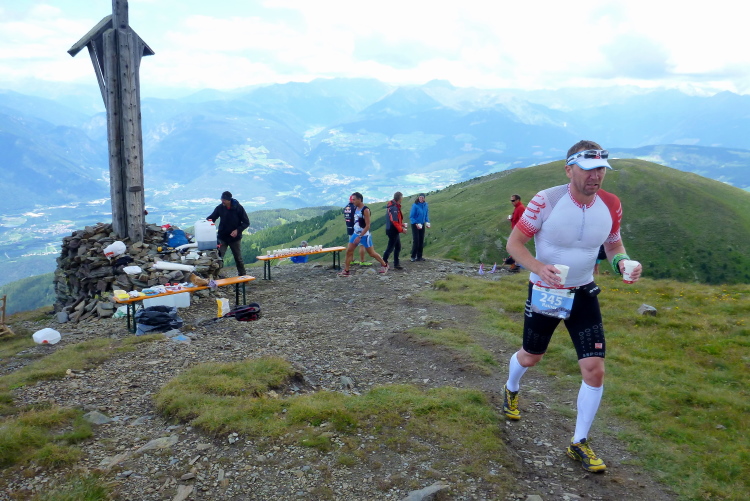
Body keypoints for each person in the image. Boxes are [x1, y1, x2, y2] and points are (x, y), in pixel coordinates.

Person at [503, 140, 643, 473]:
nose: (596, 176)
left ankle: (579, 441)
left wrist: (623, 263)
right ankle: (511, 388)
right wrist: (539, 268)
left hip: (583, 292)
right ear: (569, 170)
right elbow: (514, 244)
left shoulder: (611, 204)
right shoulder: (547, 200)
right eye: (588, 169)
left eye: (601, 169)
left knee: (595, 369)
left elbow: (613, 244)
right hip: (546, 292)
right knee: (531, 356)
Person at [338, 192, 388, 277]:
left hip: (364, 236)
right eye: (352, 199)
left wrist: (360, 236)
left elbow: (368, 226)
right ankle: (346, 270)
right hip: (355, 233)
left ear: (359, 199)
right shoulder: (355, 208)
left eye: (354, 199)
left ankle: (384, 265)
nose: (352, 201)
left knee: (371, 253)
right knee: (349, 251)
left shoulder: (365, 210)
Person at [207, 191, 250, 276]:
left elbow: (246, 222)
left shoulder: (238, 208)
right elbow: (212, 218)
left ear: (229, 200)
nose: (222, 201)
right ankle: (215, 276)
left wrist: (237, 230)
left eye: (224, 200)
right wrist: (205, 223)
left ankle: (243, 276)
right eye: (222, 199)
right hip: (222, 237)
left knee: (238, 258)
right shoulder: (220, 208)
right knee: (218, 258)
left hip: (235, 238)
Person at [383, 192, 407, 270]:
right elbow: (394, 221)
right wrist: (402, 229)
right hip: (392, 230)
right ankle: (384, 263)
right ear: (399, 198)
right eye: (402, 197)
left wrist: (402, 224)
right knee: (390, 248)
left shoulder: (393, 206)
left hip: (392, 229)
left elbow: (395, 220)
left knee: (397, 247)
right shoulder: (394, 208)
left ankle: (396, 264)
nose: (402, 198)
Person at [343, 195, 367, 265]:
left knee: (351, 245)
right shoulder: (355, 207)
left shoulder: (346, 207)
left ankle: (351, 260)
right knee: (362, 244)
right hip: (356, 228)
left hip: (349, 227)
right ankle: (362, 261)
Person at [507, 194, 525, 272]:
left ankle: (516, 266)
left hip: (518, 232)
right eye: (511, 200)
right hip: (516, 231)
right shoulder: (517, 208)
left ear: (518, 200)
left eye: (513, 200)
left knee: (515, 248)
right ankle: (515, 266)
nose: (512, 202)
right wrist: (511, 219)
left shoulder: (520, 208)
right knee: (515, 248)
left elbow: (522, 221)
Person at [409, 193, 430, 262]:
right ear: (418, 198)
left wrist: (427, 222)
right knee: (416, 240)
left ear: (424, 198)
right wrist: (416, 223)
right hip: (415, 225)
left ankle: (419, 256)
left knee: (421, 240)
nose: (421, 199)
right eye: (420, 197)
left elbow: (426, 215)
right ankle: (413, 256)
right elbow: (411, 216)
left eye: (422, 198)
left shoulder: (425, 205)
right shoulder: (415, 205)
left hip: (422, 224)